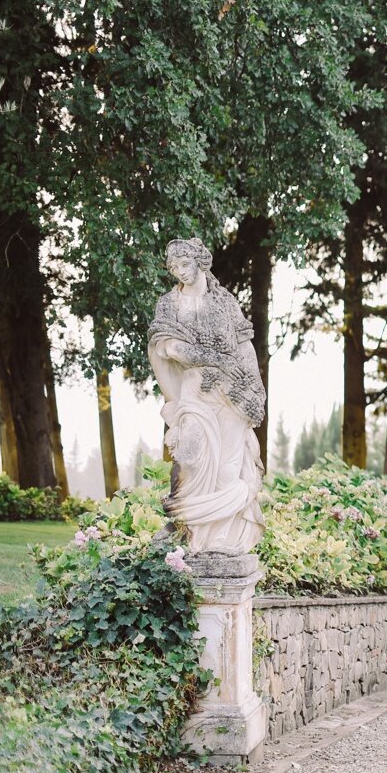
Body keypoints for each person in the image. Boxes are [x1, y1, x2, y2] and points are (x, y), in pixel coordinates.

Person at [147, 238, 267, 565]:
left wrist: (254, 385)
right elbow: (170, 348)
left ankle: (222, 542)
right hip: (195, 391)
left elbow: (243, 347)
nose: (180, 272)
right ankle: (183, 527)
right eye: (173, 268)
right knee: (189, 457)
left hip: (230, 394)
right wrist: (213, 360)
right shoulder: (169, 304)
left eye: (184, 265)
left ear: (199, 262)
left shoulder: (225, 302)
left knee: (228, 471)